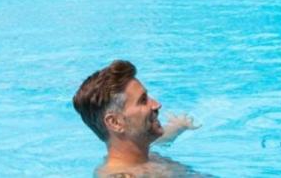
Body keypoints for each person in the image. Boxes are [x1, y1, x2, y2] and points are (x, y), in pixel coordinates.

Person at [73, 60, 201, 177]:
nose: (157, 104)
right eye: (143, 100)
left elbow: (163, 139)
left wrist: (179, 126)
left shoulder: (145, 154)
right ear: (115, 122)